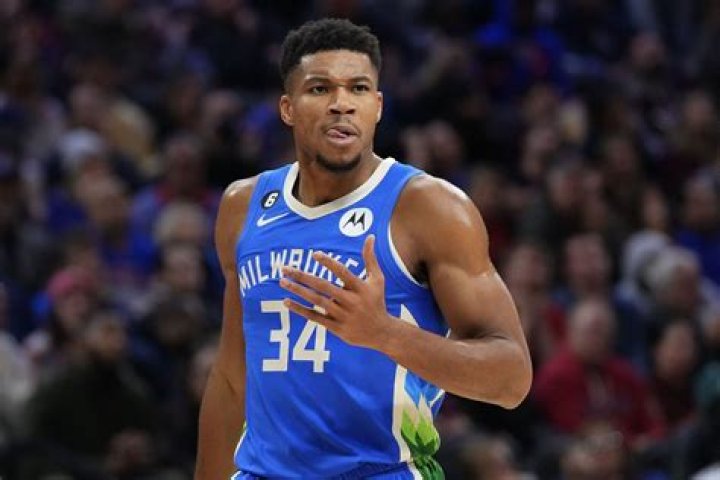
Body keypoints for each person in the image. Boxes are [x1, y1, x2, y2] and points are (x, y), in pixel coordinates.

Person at [195, 18, 532, 479]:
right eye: (320, 89)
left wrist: (385, 334)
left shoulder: (428, 207)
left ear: (377, 107)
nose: (342, 104)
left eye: (358, 88)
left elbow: (511, 379)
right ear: (288, 108)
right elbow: (232, 379)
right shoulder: (243, 206)